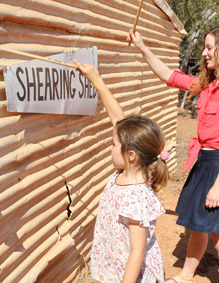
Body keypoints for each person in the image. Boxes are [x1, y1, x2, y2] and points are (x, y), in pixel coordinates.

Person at [127, 24, 219, 283]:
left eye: (209, 47)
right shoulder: (208, 85)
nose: (204, 53)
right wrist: (142, 47)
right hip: (204, 164)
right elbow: (170, 76)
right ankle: (186, 275)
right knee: (197, 228)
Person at [73, 59, 170, 283]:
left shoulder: (134, 198)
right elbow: (118, 119)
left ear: (131, 155)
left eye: (113, 144)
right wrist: (97, 80)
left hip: (130, 274)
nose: (110, 146)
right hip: (117, 262)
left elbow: (137, 252)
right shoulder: (131, 171)